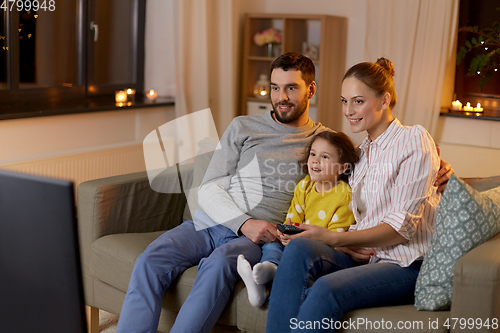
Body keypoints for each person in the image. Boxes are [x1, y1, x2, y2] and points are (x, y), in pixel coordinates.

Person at [116, 53, 453, 333]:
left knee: (221, 264)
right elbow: (209, 187)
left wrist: (440, 166)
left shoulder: (327, 141)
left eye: (291, 87)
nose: (281, 97)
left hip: (263, 237)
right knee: (150, 260)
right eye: (275, 88)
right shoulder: (243, 126)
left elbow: (381, 163)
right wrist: (243, 221)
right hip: (211, 223)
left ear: (311, 91)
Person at [266, 57, 445, 333]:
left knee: (324, 289)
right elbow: (334, 190)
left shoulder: (414, 139)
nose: (348, 110)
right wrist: (343, 242)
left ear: (384, 100)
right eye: (343, 101)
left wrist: (337, 238)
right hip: (364, 257)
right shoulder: (359, 154)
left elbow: (402, 228)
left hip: (405, 264)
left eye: (358, 101)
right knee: (300, 248)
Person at [237, 131, 358, 307]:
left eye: (324, 157)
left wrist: (299, 240)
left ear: (341, 168)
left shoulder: (344, 196)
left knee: (298, 253)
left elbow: (335, 238)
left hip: (321, 251)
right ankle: (268, 271)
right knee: (272, 242)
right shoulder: (305, 185)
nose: (315, 160)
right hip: (297, 242)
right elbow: (293, 219)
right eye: (313, 154)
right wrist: (286, 233)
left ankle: (270, 280)